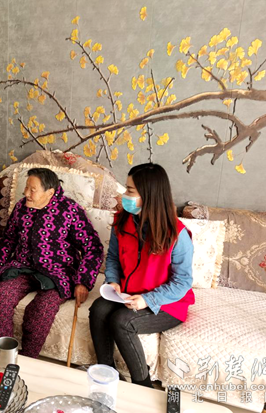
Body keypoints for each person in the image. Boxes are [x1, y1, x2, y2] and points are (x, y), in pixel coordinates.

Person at [89, 163, 195, 388]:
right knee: (98, 309)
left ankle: (143, 384)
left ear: (149, 195)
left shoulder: (177, 234)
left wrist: (148, 299)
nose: (124, 195)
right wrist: (113, 280)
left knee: (122, 321)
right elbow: (113, 258)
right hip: (129, 294)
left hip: (168, 303)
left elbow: (183, 281)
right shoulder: (122, 221)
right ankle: (107, 373)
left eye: (129, 190)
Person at [0, 168, 104, 358]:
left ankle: (29, 358)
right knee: (0, 295)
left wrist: (83, 281)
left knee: (42, 308)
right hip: (22, 266)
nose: (26, 193)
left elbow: (93, 247)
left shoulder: (70, 210)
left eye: (33, 190)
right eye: (26, 188)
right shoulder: (21, 207)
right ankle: (5, 355)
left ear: (50, 192)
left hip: (58, 272)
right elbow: (9, 238)